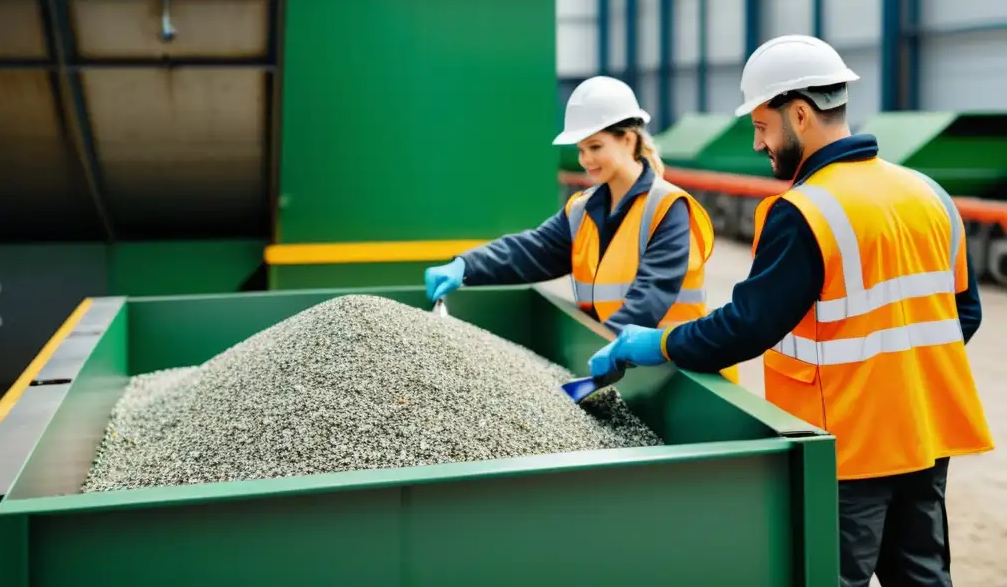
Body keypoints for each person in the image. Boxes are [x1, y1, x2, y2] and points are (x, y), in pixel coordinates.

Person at [588, 35, 994, 586]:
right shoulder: (928, 194)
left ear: (798, 114)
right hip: (926, 434)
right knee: (922, 576)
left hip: (845, 449)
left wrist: (655, 343)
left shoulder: (804, 211)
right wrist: (901, 381)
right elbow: (962, 315)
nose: (758, 143)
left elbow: (745, 326)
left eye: (761, 126)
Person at [424, 76, 739, 384]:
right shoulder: (582, 210)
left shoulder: (668, 208)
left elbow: (651, 295)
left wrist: (602, 346)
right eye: (581, 149)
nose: (585, 159)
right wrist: (467, 265)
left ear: (628, 139)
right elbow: (533, 250)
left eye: (595, 146)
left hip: (679, 375)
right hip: (623, 367)